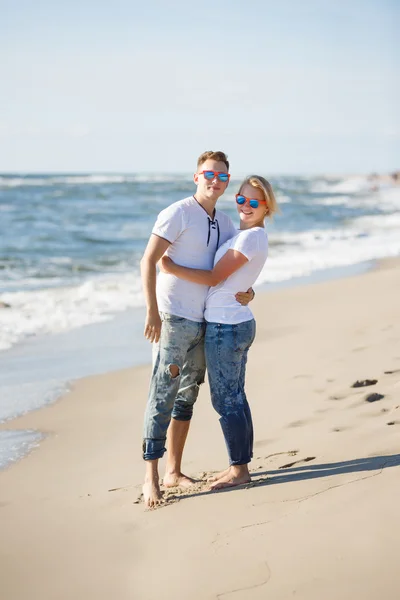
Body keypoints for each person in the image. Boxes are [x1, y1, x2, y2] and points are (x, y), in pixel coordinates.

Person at [140, 151, 254, 507]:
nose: (215, 181)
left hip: (204, 319)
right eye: (209, 174)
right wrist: (152, 312)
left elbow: (233, 268)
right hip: (173, 317)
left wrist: (250, 290)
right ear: (196, 176)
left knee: (187, 395)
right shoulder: (177, 213)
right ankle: (151, 478)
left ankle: (174, 471)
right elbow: (148, 261)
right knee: (163, 392)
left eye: (221, 177)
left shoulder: (225, 222)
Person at [160, 175, 278, 489]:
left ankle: (239, 470)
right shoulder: (246, 235)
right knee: (235, 398)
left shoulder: (251, 237)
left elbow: (214, 277)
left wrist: (171, 268)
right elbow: (235, 279)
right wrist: (248, 291)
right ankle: (239, 465)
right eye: (241, 199)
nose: (246, 206)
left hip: (227, 326)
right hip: (233, 321)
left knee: (226, 401)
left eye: (254, 202)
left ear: (266, 207)